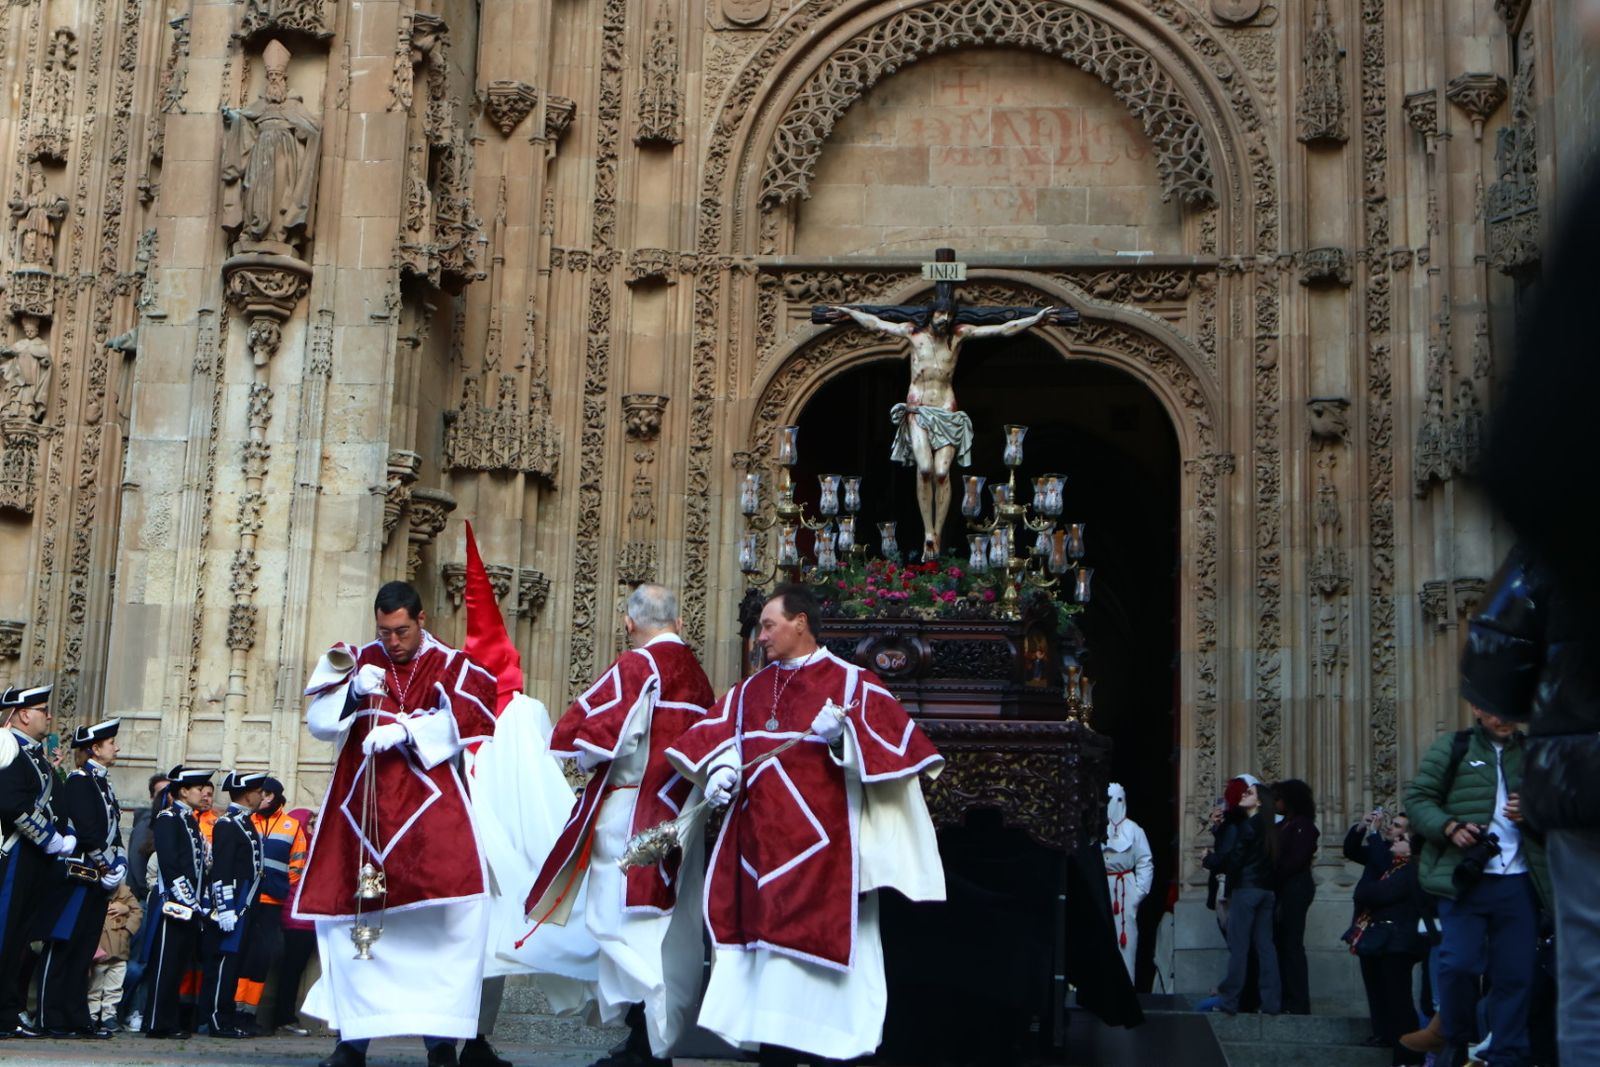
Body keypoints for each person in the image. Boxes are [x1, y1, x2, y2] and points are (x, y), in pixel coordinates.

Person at [665, 584, 946, 1063]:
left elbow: (896, 753)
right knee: (768, 981)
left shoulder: (852, 683)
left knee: (818, 988)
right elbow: (716, 738)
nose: (760, 637)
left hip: (825, 857)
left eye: (768, 626)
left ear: (801, 623)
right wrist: (722, 768)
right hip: (758, 857)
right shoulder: (750, 689)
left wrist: (843, 739)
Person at [297, 580, 498, 1067]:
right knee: (355, 926)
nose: (392, 642)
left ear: (421, 619)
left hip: (431, 817)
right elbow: (320, 724)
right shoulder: (358, 659)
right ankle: (351, 1043)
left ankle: (441, 1044)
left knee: (441, 929)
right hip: (360, 817)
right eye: (384, 632)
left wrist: (408, 730)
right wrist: (351, 693)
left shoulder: (451, 664)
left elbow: (473, 721)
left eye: (402, 631)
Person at [522, 583, 716, 1067]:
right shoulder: (697, 674)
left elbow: (606, 739)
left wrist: (586, 758)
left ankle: (646, 1044)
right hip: (681, 816)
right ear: (679, 622)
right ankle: (650, 1038)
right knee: (668, 927)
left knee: (618, 924)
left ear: (629, 623)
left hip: (632, 812)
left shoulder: (638, 665)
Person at [818, 299, 1056, 558]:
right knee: (924, 468)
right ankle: (928, 531)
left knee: (942, 472)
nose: (945, 319)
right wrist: (851, 312)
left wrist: (1035, 319)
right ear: (931, 314)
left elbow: (1002, 329)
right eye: (941, 313)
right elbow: (876, 323)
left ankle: (938, 533)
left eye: (949, 315)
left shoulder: (959, 335)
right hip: (918, 409)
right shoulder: (913, 333)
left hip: (946, 411)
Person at [1404, 706, 1550, 1067]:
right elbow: (1418, 799)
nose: (1503, 717)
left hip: (1520, 881)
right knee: (1459, 963)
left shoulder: (1536, 753)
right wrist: (1450, 827)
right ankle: (1452, 1034)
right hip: (1466, 878)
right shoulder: (1453, 747)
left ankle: (1507, 1055)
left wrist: (1535, 810)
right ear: (1476, 709)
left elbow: (1565, 808)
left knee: (1515, 975)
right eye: (1494, 710)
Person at [35, 717, 128, 1038]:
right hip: (77, 876)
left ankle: (76, 1016)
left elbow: (113, 831)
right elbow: (88, 832)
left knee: (84, 950)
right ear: (94, 749)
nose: (116, 748)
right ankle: (50, 1016)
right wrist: (108, 866)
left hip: (96, 878)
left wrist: (120, 865)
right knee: (63, 945)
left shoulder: (102, 783)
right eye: (111, 743)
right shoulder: (79, 781)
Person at [0, 683, 73, 1039]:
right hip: (16, 853)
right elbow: (11, 803)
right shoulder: (8, 747)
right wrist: (49, 837)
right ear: (24, 715)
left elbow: (53, 802)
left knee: (19, 939)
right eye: (43, 710)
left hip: (34, 858)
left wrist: (64, 833)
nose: (49, 716)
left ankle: (8, 1011)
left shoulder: (35, 755)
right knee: (5, 934)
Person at [1200, 779, 1281, 1015]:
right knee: (1265, 948)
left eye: (1249, 793)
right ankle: (1271, 1003)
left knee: (1240, 947)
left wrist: (1209, 859)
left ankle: (1229, 1000)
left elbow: (1234, 861)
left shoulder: (1248, 827)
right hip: (1266, 892)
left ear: (1259, 801)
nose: (1243, 795)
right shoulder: (1270, 828)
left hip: (1246, 891)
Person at [144, 765, 213, 1039]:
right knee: (165, 965)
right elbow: (171, 864)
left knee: (176, 966)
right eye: (199, 788)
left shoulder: (189, 820)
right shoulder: (169, 818)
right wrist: (189, 900)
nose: (203, 793)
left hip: (187, 905)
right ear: (183, 791)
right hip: (172, 903)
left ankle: (168, 1021)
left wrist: (198, 902)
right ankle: (156, 1023)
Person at [1350, 833, 1428, 1066]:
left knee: (1399, 1002)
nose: (1395, 839)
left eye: (1402, 838)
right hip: (1387, 942)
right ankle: (1395, 1045)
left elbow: (1372, 893)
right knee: (1387, 998)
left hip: (1398, 943)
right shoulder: (1393, 869)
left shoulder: (1410, 870)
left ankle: (1408, 1056)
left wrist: (1369, 888)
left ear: (1411, 849)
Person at [199, 771, 267, 1038]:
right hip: (235, 901)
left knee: (234, 963)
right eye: (258, 791)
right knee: (224, 963)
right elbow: (223, 870)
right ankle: (217, 1019)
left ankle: (226, 1017)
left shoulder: (244, 822)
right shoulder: (228, 824)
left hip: (246, 901)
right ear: (247, 795)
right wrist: (225, 908)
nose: (261, 796)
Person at [240, 776, 305, 1031]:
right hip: (247, 898)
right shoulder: (247, 821)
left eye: (268, 795)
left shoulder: (291, 825)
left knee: (262, 957)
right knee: (242, 954)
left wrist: (281, 884)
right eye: (261, 794)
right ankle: (235, 1010)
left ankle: (249, 1013)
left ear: (277, 797)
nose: (263, 799)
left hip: (273, 900)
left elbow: (297, 862)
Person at [1272, 779, 1319, 1015]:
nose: (1276, 803)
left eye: (1278, 798)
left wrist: (1274, 873)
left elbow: (1296, 860)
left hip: (1295, 887)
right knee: (1281, 943)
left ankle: (1298, 1001)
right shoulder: (1284, 825)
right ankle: (1285, 997)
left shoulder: (1303, 826)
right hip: (1283, 888)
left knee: (1291, 944)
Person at [1102, 782, 1153, 984]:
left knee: (1126, 941)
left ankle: (1126, 987)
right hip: (1103, 884)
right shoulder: (1097, 827)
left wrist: (1137, 892)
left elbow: (1145, 861)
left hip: (1125, 889)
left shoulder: (1134, 830)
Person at [274, 808, 318, 1036]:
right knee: (291, 971)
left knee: (293, 970)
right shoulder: (302, 851)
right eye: (311, 824)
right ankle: (284, 1018)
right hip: (298, 920)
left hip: (304, 918)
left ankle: (285, 1017)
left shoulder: (308, 849)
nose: (314, 828)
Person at [91, 881, 143, 1032]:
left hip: (119, 950)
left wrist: (127, 931)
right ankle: (92, 1015)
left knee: (114, 987)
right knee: (94, 986)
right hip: (98, 950)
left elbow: (137, 912)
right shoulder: (94, 891)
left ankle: (109, 1016)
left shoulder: (124, 892)